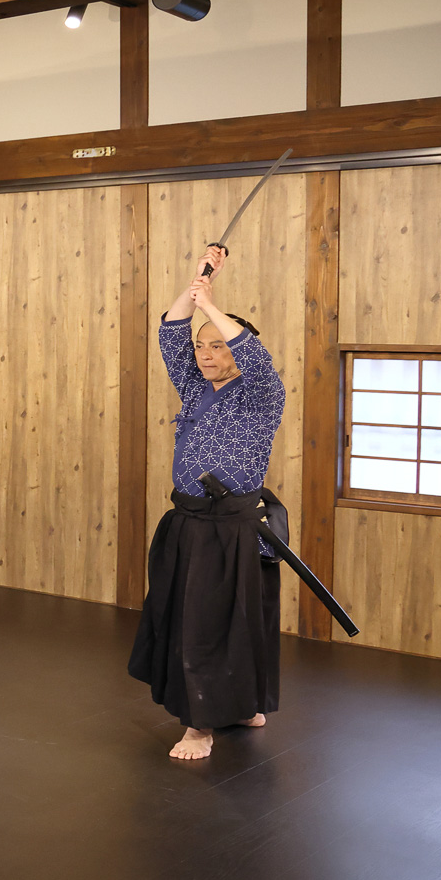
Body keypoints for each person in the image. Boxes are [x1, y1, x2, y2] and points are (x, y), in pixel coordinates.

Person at [128, 245, 288, 760]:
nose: (206, 353)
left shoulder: (262, 392)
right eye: (204, 346)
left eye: (219, 346)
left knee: (232, 624)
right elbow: (171, 333)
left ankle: (207, 724)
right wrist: (199, 286)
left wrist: (213, 306)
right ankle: (216, 713)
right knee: (191, 623)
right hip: (192, 524)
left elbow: (253, 355)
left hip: (235, 528)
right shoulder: (196, 388)